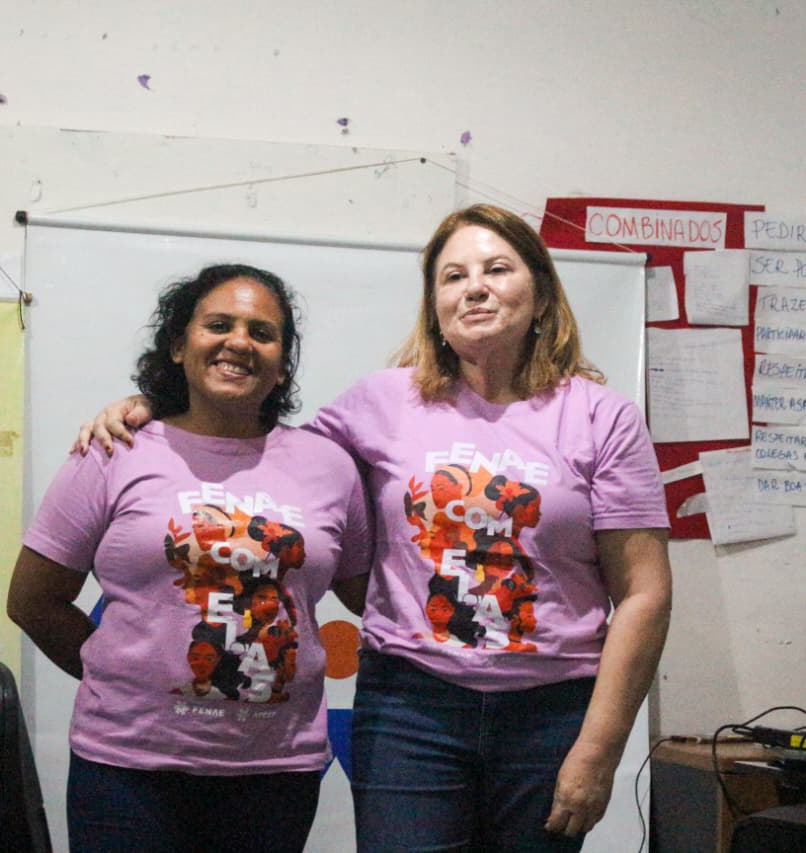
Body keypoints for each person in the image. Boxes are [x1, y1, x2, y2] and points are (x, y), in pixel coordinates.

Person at [77, 204, 673, 851]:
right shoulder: (382, 400)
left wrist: (600, 748)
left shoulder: (602, 417)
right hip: (410, 708)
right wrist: (157, 408)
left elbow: (644, 592)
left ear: (541, 293)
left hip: (552, 712)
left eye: (497, 269)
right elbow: (259, 446)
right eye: (453, 276)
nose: (475, 287)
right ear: (434, 305)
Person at [8, 264, 371, 853]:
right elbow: (32, 600)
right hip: (128, 770)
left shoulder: (329, 466)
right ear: (179, 345)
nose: (239, 342)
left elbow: (369, 594)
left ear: (283, 362)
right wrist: (122, 680)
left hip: (276, 775)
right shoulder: (113, 449)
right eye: (218, 325)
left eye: (262, 333)